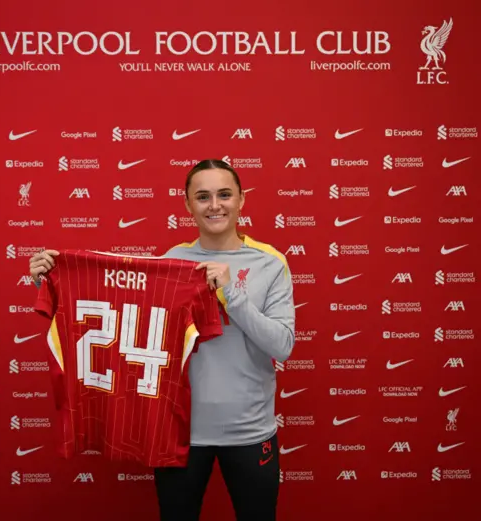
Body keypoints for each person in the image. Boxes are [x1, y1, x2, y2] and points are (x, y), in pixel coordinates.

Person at [29, 159, 295, 521]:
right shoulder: (173, 262)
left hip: (250, 430)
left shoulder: (270, 263)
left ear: (241, 199)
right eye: (202, 196)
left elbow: (282, 345)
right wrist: (56, 283)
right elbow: (123, 319)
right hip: (179, 431)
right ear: (188, 205)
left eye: (224, 195)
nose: (214, 205)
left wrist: (232, 295)